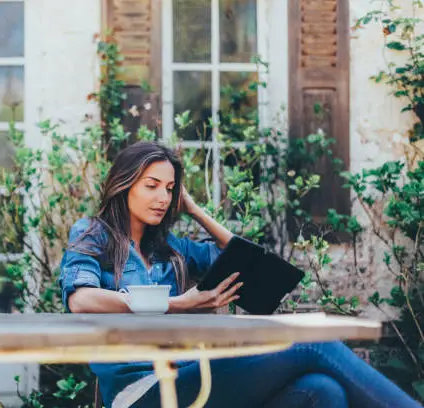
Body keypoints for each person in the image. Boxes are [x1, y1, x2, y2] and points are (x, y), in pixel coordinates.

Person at [58, 141, 421, 408]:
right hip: (139, 388)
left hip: (190, 373)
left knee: (323, 391)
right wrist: (175, 305)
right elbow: (82, 299)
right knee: (313, 343)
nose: (162, 198)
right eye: (151, 185)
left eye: (170, 190)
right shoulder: (94, 233)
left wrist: (196, 211)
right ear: (125, 184)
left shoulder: (170, 248)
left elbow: (254, 266)